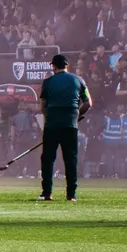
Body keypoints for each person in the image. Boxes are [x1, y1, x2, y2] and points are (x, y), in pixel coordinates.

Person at [37, 53, 89, 202]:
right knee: (70, 159)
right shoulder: (79, 80)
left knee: (47, 159)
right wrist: (76, 116)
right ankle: (71, 194)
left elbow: (42, 105)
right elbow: (88, 103)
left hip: (52, 124)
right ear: (67, 66)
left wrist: (49, 118)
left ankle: (47, 193)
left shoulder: (47, 82)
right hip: (70, 124)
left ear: (53, 66)